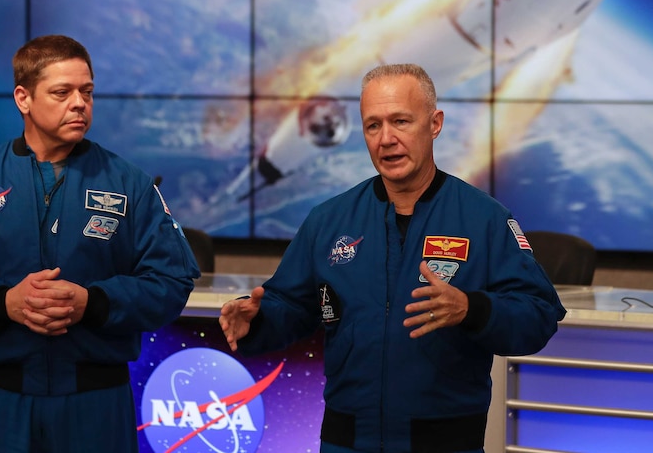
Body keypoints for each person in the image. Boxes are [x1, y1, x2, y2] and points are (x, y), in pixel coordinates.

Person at [219, 63, 566, 453]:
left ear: (434, 124)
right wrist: (257, 321)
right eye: (373, 125)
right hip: (346, 441)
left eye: (401, 121)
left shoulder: (484, 219)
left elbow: (539, 315)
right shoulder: (329, 221)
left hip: (445, 444)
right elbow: (293, 306)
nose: (386, 139)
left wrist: (473, 309)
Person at [0, 35, 200, 453]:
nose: (79, 103)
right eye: (62, 92)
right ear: (23, 98)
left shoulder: (128, 184)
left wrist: (94, 302)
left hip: (95, 402)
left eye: (87, 91)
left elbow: (173, 280)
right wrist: (2, 303)